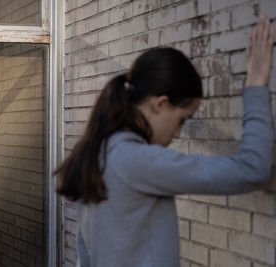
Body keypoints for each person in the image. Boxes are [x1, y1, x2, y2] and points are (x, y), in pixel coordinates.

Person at [55, 15, 275, 267]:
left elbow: (86, 257)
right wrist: (257, 84)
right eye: (182, 119)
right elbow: (252, 170)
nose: (179, 133)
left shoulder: (95, 154)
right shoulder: (138, 161)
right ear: (160, 104)